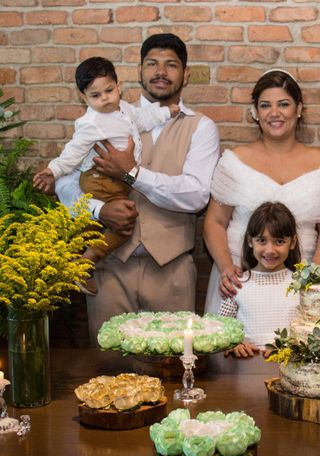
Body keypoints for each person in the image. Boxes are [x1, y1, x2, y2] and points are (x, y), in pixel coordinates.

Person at [54, 33, 220, 343]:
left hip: (172, 271)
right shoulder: (105, 117)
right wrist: (99, 209)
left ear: (185, 74)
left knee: (172, 371)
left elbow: (197, 195)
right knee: (109, 372)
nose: (161, 71)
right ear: (139, 71)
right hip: (110, 268)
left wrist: (132, 172)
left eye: (171, 65)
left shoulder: (202, 127)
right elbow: (64, 181)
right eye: (152, 64)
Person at [33, 56, 180, 295]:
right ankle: (84, 262)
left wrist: (166, 113)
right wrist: (53, 170)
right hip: (100, 178)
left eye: (109, 91)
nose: (105, 99)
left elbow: (143, 120)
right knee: (124, 223)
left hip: (117, 180)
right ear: (84, 98)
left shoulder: (125, 109)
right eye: (95, 96)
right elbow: (72, 152)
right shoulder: (90, 122)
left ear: (118, 85)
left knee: (118, 222)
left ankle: (83, 259)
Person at [203, 69, 320, 313]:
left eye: (284, 104)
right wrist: (226, 267)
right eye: (265, 105)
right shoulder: (234, 161)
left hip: (298, 286)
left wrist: (315, 273)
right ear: (255, 112)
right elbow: (214, 221)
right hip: (238, 282)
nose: (274, 113)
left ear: (298, 109)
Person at [219, 202, 301, 359]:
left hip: (291, 368)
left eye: (279, 241)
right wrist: (234, 343)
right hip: (246, 369)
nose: (270, 250)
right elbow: (221, 329)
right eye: (262, 241)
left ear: (293, 242)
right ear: (250, 241)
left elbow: (312, 329)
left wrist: (292, 345)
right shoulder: (236, 284)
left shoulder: (302, 285)